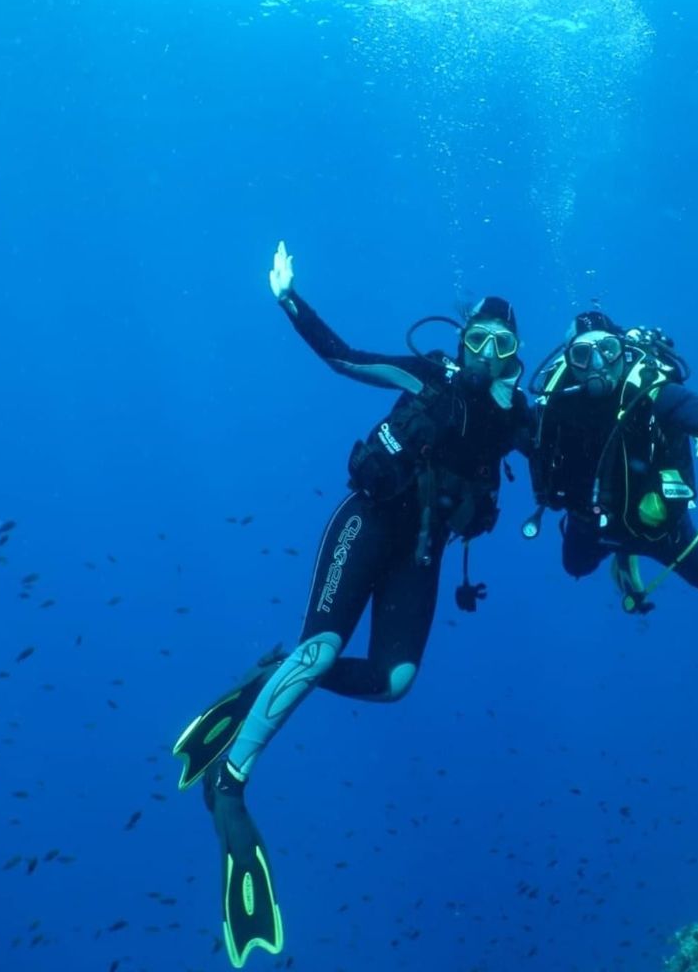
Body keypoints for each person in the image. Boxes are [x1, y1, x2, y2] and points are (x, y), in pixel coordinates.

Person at [172, 242, 531, 969]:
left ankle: (269, 677)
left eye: (503, 344)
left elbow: (569, 445)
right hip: (369, 523)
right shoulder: (431, 377)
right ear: (462, 344)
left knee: (395, 682)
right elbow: (343, 358)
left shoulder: (518, 415)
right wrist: (288, 297)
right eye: (478, 340)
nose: (487, 353)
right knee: (326, 647)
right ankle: (230, 784)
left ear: (517, 354)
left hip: (422, 552)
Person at [526, 311, 698, 615]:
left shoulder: (651, 390)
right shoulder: (554, 405)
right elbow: (517, 433)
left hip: (655, 527)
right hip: (592, 524)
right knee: (575, 566)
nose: (598, 364)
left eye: (607, 350)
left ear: (622, 351)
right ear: (569, 361)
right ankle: (624, 556)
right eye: (582, 354)